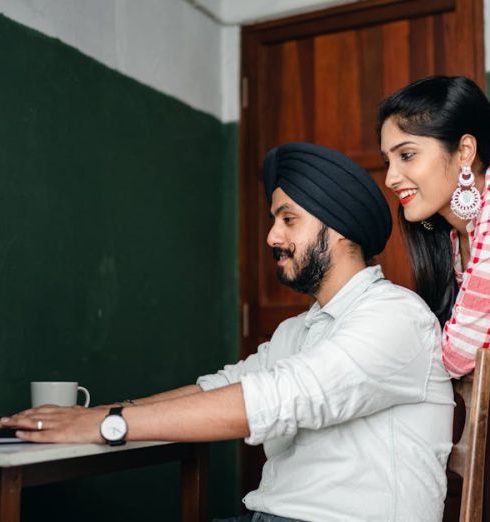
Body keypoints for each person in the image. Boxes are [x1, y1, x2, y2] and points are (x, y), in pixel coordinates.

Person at [1, 143, 453, 522]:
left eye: (288, 219)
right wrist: (104, 411)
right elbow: (222, 387)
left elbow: (279, 398)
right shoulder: (299, 330)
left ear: (337, 229)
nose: (272, 237)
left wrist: (106, 424)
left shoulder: (395, 316)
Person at [378, 75, 490, 378]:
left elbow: (457, 357)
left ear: (464, 151)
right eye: (388, 161)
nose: (390, 178)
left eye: (407, 155)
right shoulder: (453, 236)